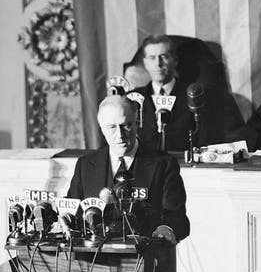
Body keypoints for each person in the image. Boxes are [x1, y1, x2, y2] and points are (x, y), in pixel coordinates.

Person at [67, 95, 190, 243]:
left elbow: (178, 219)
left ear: (137, 123)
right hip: (94, 260)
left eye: (126, 125)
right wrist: (65, 219)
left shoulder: (164, 164)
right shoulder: (85, 165)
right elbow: (73, 211)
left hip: (145, 257)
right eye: (112, 127)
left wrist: (166, 229)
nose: (120, 135)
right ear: (102, 129)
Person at [130, 35, 230, 151]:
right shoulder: (134, 98)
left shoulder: (195, 96)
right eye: (152, 58)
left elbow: (206, 138)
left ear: (175, 60)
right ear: (145, 63)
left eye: (164, 57)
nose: (158, 63)